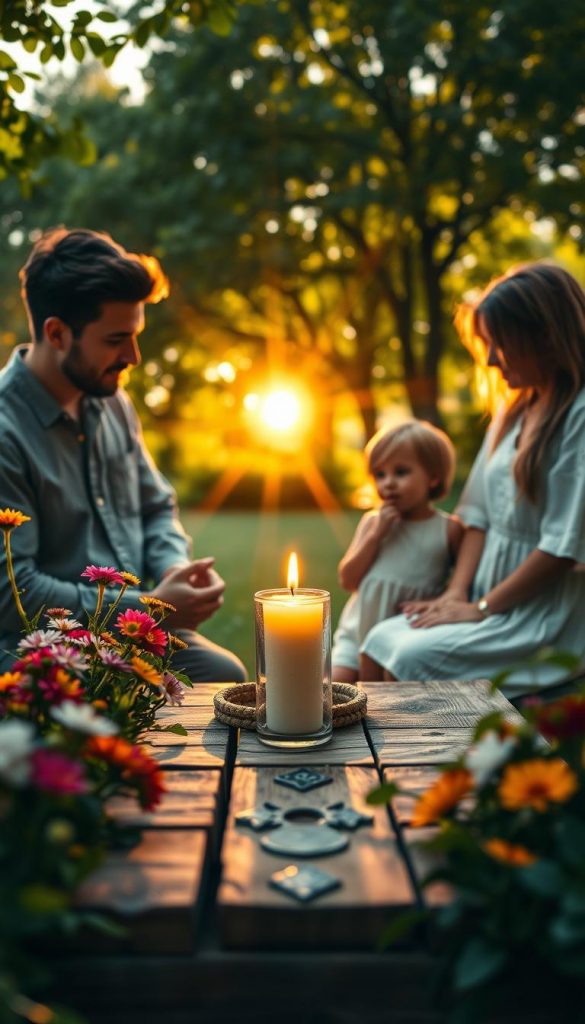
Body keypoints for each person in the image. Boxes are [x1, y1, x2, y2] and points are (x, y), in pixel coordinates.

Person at [0, 227, 246, 682]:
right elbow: (12, 594)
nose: (133, 356)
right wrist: (151, 609)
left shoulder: (114, 402)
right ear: (57, 333)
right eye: (116, 339)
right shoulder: (5, 431)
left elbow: (156, 508)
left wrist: (175, 570)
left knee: (223, 675)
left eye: (135, 335)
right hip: (41, 650)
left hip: (134, 634)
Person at [360, 263, 585, 699]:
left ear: (544, 335)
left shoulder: (578, 415)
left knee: (411, 658)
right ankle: (390, 747)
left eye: (500, 343)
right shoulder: (513, 411)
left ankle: (429, 746)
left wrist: (482, 608)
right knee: (381, 639)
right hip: (487, 594)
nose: (491, 359)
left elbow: (562, 548)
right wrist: (457, 593)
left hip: (543, 612)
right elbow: (478, 514)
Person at [332, 420, 464, 683]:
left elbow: (461, 584)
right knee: (331, 693)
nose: (388, 483)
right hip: (356, 634)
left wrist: (439, 600)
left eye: (401, 472)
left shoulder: (448, 529)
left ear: (433, 477)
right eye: (380, 474)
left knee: (385, 699)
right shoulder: (373, 522)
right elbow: (347, 580)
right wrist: (376, 536)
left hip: (404, 638)